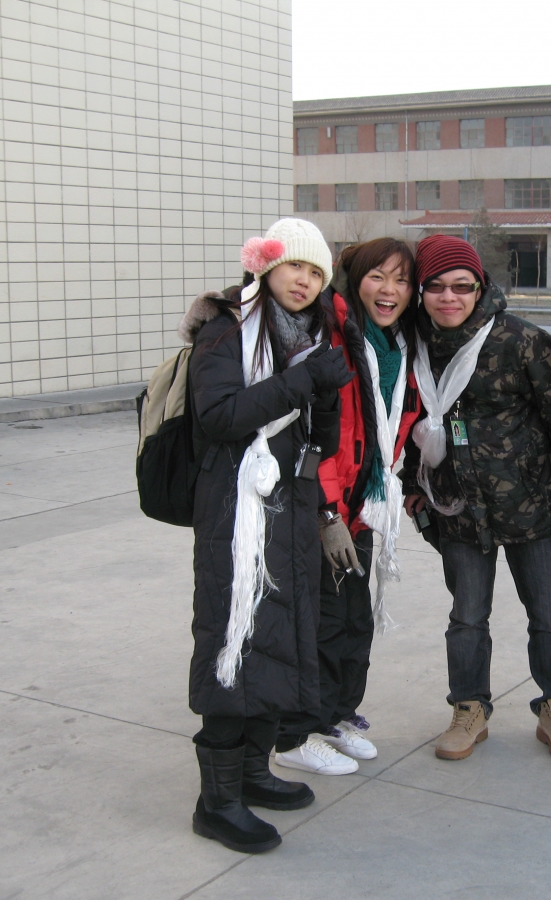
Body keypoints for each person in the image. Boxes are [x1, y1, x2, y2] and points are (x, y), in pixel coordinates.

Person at [179, 218, 353, 852]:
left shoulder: (309, 334)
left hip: (291, 506)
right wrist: (305, 380)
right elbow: (220, 415)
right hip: (235, 511)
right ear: (265, 266)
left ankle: (252, 772)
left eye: (315, 272)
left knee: (278, 638)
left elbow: (317, 436)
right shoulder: (227, 330)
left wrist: (326, 390)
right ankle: (216, 801)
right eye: (293, 266)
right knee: (233, 639)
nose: (303, 281)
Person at [401, 234, 551, 763]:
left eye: (462, 286)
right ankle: (469, 709)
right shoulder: (413, 346)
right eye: (436, 286)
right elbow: (408, 421)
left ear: (480, 288)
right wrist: (415, 486)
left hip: (529, 508)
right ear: (421, 291)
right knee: (466, 617)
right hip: (457, 508)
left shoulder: (522, 341)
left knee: (549, 615)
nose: (448, 297)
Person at [272, 238, 421, 775]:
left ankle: (333, 714)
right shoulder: (332, 337)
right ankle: (293, 733)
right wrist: (327, 512)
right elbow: (318, 436)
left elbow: (396, 421)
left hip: (362, 507)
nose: (389, 290)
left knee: (354, 620)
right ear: (354, 280)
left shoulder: (397, 344)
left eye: (401, 280)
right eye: (377, 276)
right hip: (324, 507)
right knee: (320, 622)